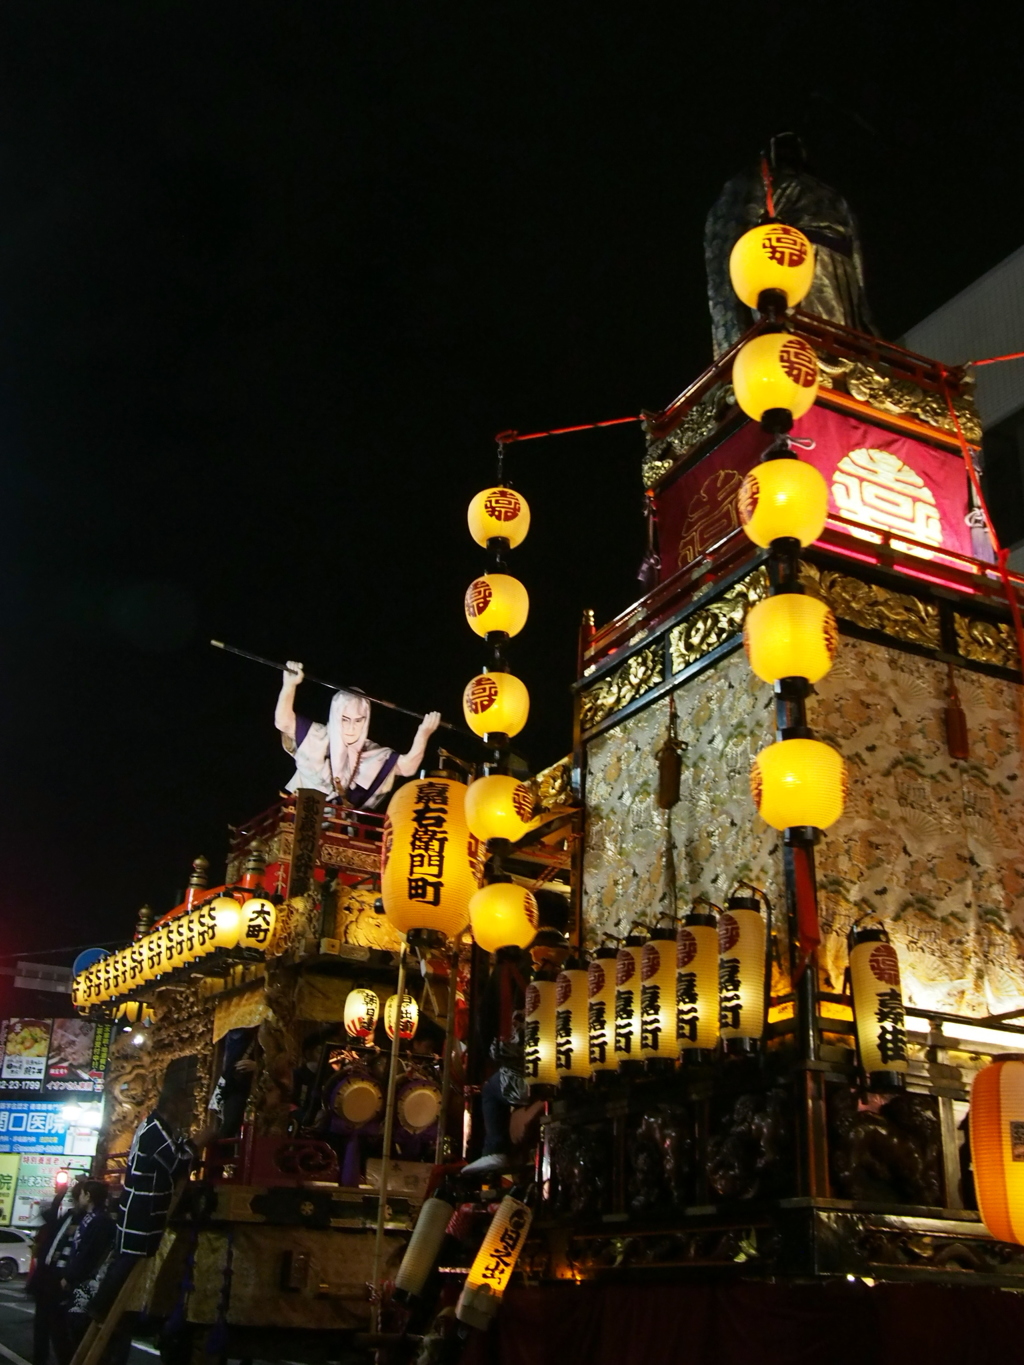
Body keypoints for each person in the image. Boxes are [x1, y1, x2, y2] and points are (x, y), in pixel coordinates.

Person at [704, 132, 877, 359]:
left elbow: (854, 245)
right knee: (801, 324)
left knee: (840, 325)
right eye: (782, 148)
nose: (789, 154)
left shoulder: (826, 191)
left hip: (838, 265)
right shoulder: (760, 183)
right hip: (791, 257)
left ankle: (843, 356)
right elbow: (742, 220)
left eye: (794, 148)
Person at [88, 1075, 214, 1363]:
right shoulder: (154, 1130)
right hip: (140, 1209)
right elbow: (176, 1162)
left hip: (146, 1207)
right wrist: (201, 1140)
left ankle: (107, 1308)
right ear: (171, 1103)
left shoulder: (161, 1128)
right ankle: (100, 1306)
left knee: (128, 1260)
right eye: (185, 1101)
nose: (188, 1107)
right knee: (127, 1260)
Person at [275, 662, 440, 808]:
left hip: (343, 828)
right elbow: (283, 721)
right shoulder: (318, 737)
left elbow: (407, 767)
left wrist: (423, 734)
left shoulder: (371, 752)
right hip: (305, 820)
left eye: (358, 721)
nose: (351, 728)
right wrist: (289, 686)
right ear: (335, 716)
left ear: (366, 721)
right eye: (345, 720)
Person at [58, 1181, 116, 1363]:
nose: (79, 1198)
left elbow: (87, 1253)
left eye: (82, 1194)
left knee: (79, 1324)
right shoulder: (92, 1218)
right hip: (83, 1280)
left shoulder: (99, 1221)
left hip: (87, 1282)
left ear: (88, 1196)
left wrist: (70, 1276)